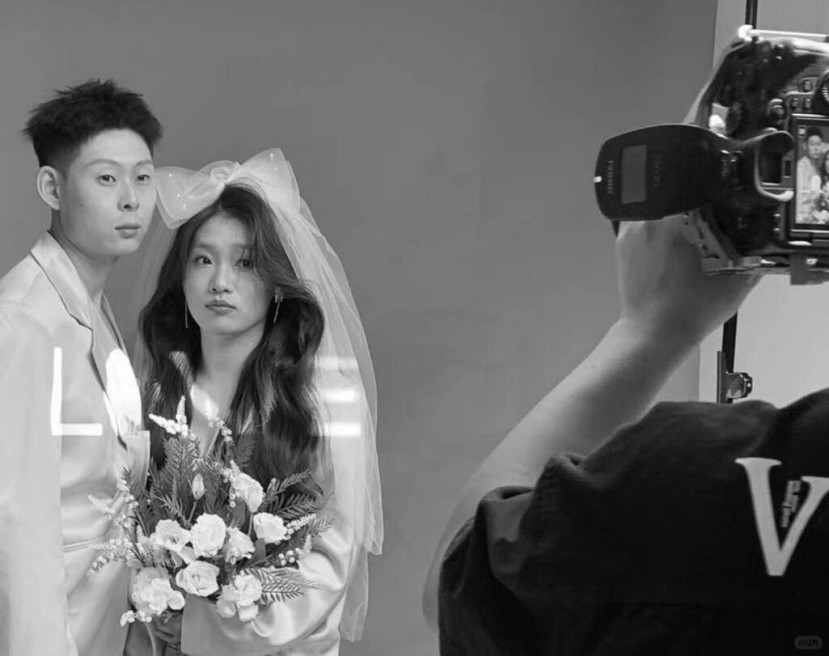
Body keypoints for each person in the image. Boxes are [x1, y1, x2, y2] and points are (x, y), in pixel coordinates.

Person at [130, 149, 382, 655]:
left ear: (275, 283)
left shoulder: (326, 400)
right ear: (181, 277)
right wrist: (157, 604)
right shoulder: (161, 394)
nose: (220, 282)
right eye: (203, 259)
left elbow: (329, 567)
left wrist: (206, 629)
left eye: (244, 262)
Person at [0, 80, 162, 656]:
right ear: (52, 187)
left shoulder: (92, 304)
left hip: (106, 627)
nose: (131, 200)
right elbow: (19, 528)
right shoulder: (25, 322)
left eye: (143, 178)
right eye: (106, 179)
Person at [796, 126, 825, 224]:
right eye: (812, 144)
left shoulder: (816, 167)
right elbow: (798, 197)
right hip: (803, 218)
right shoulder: (801, 167)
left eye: (818, 144)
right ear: (805, 146)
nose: (816, 148)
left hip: (813, 217)